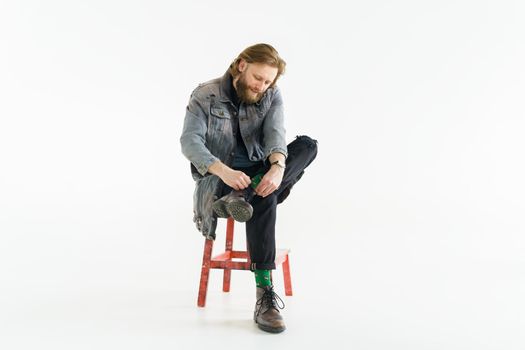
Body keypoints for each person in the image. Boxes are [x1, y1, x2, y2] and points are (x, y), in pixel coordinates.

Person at [180, 43, 317, 333]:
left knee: (307, 146)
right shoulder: (206, 95)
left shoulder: (271, 95)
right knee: (264, 198)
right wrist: (225, 172)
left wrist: (278, 167)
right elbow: (190, 143)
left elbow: (275, 136)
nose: (262, 86)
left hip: (255, 178)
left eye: (268, 81)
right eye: (258, 78)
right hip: (219, 182)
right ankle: (264, 296)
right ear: (241, 65)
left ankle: (246, 195)